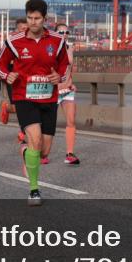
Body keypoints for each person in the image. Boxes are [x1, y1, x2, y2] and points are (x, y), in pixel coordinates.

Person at [0, 0, 69, 206]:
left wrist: (60, 77)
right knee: (35, 139)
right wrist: (7, 75)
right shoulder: (14, 40)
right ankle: (34, 190)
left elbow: (64, 65)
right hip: (24, 97)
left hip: (49, 98)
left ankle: (27, 151)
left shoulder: (57, 40)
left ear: (45, 19)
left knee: (43, 151)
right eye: (30, 18)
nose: (33, 22)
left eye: (37, 18)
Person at [0, 18, 29, 144]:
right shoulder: (12, 42)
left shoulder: (31, 42)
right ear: (17, 29)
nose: (25, 31)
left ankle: (7, 108)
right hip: (14, 80)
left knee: (28, 106)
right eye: (22, 29)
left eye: (26, 28)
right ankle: (23, 132)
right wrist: (8, 73)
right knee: (20, 106)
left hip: (29, 80)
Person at [55, 22, 80, 165]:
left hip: (67, 90)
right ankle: (41, 152)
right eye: (60, 32)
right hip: (52, 90)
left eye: (66, 32)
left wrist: (72, 82)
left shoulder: (70, 48)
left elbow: (70, 69)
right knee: (47, 124)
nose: (64, 35)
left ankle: (69, 154)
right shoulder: (50, 49)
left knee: (71, 121)